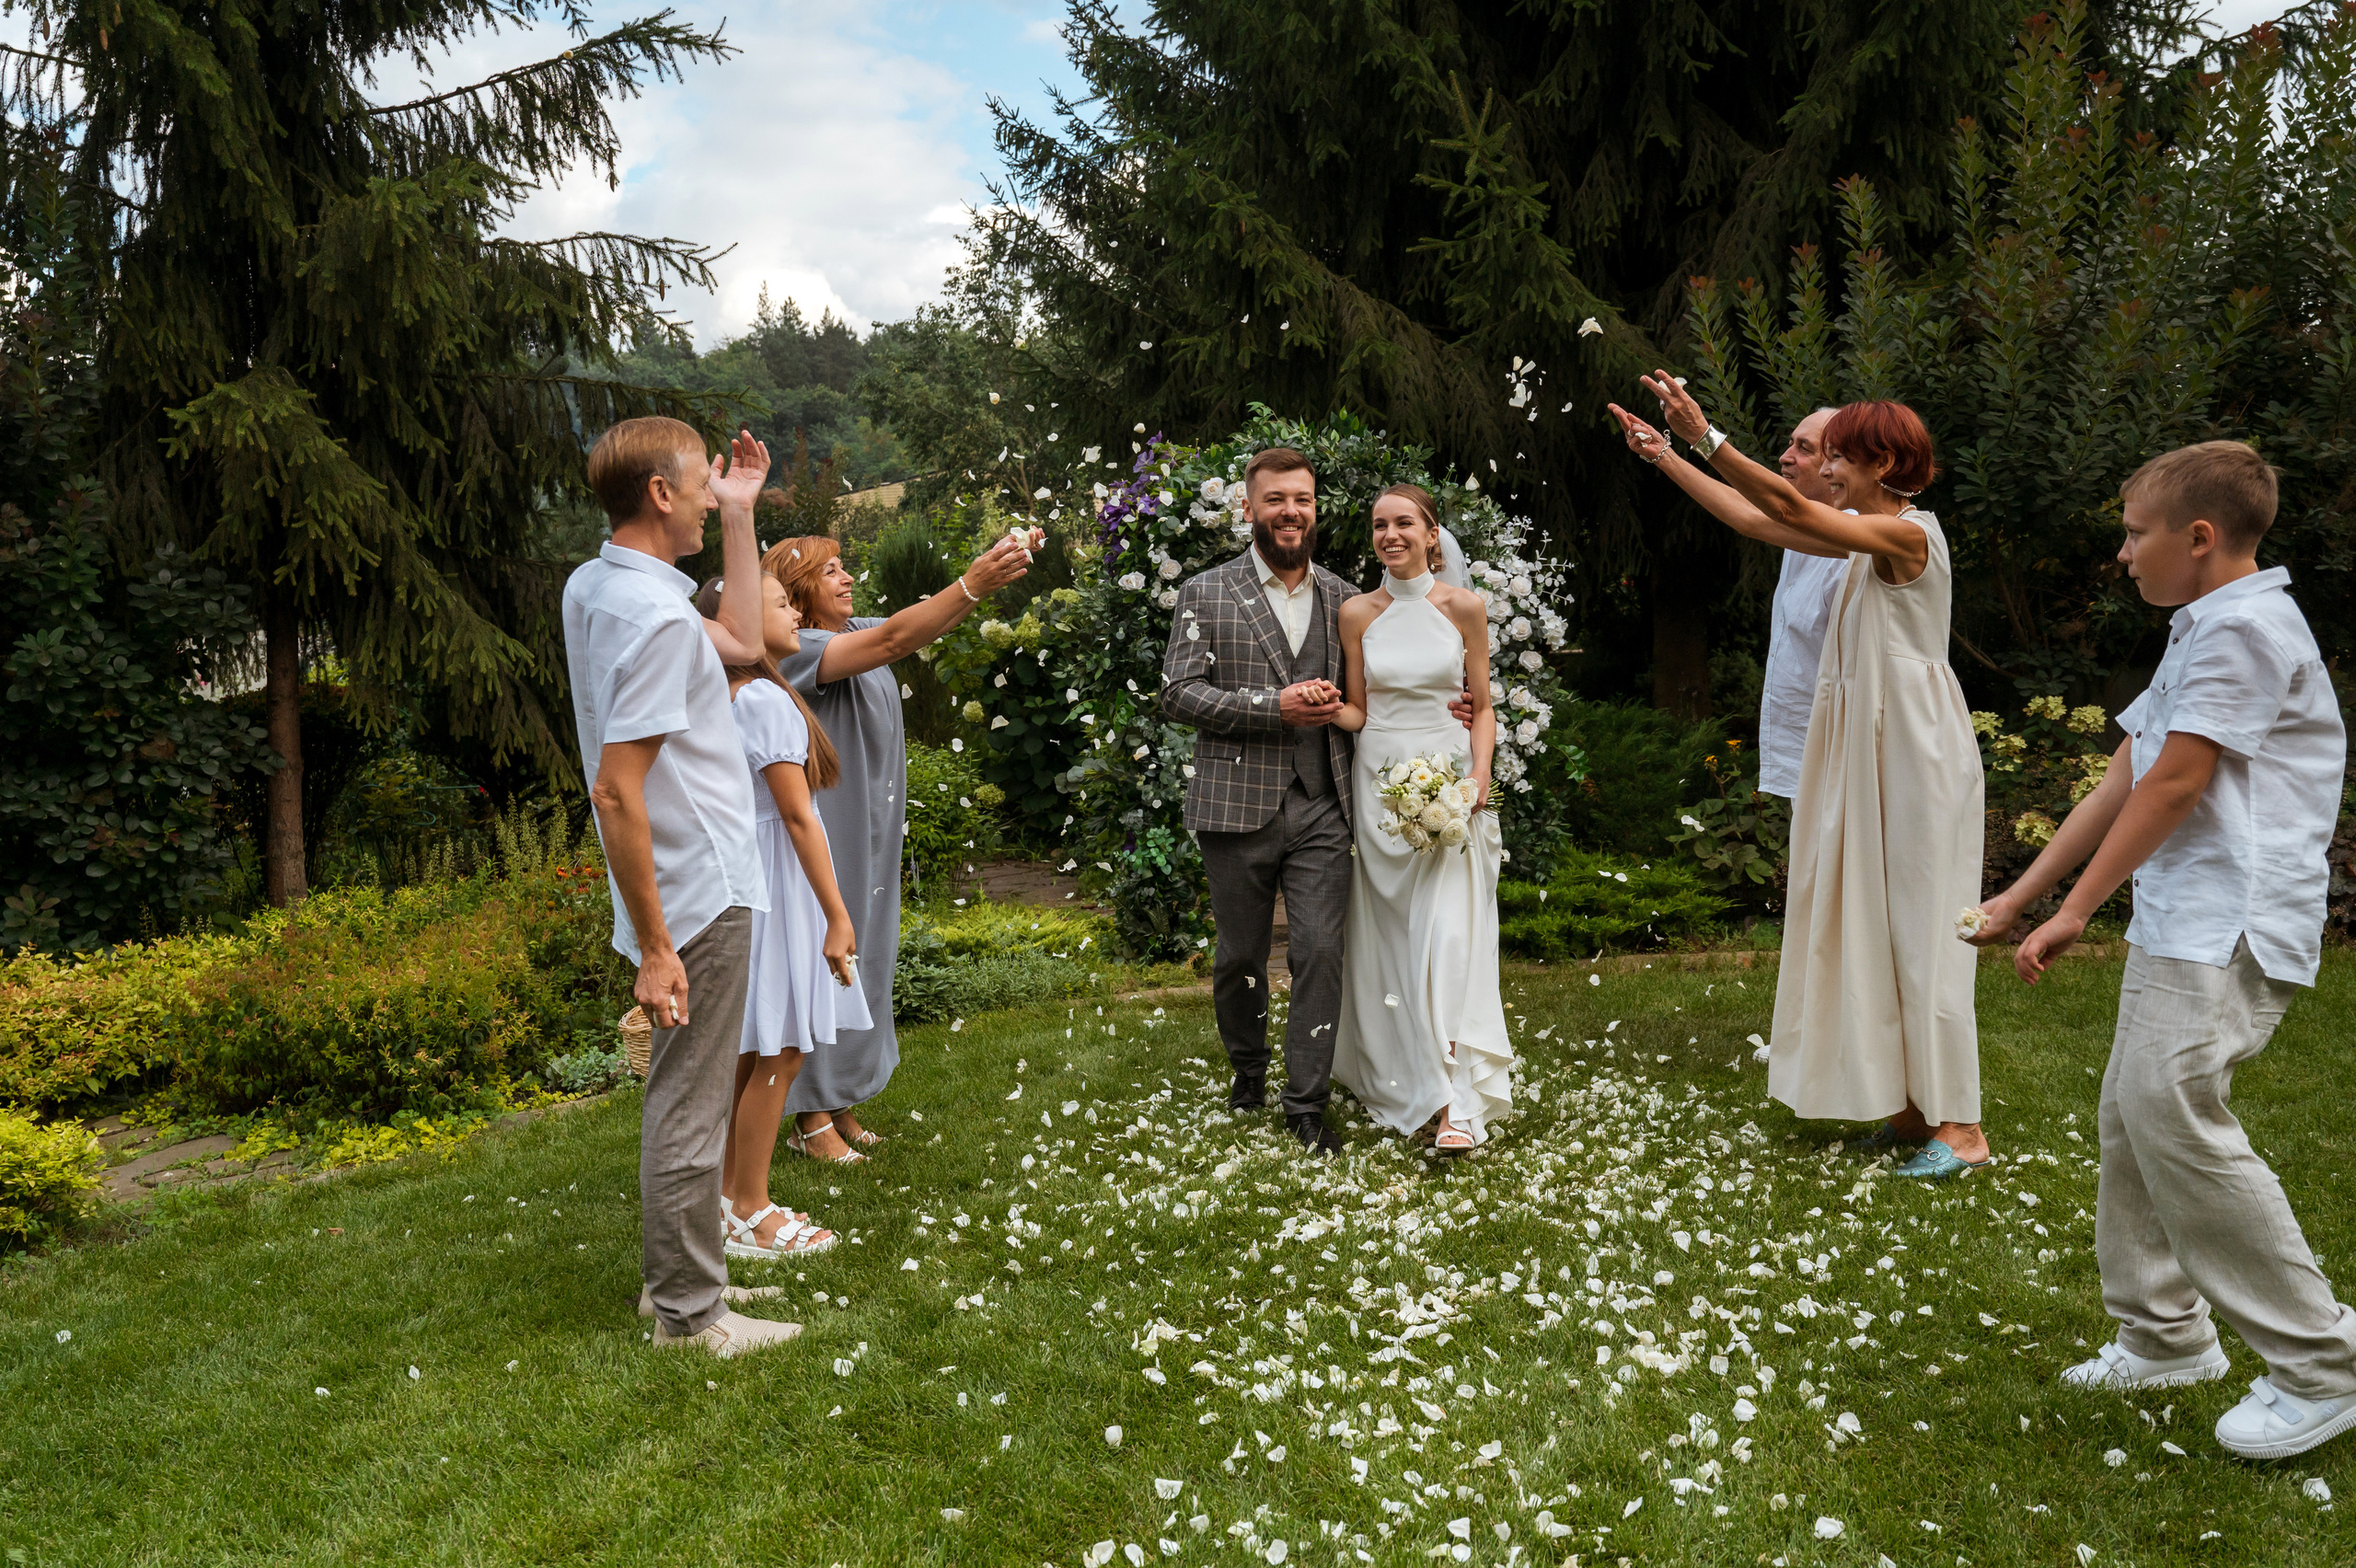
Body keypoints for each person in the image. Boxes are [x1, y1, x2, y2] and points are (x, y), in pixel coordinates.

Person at [1967, 441, 2356, 1458]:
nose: (2122, 551)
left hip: (2233, 916)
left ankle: (2323, 1363)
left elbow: (2176, 787)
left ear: (2199, 537)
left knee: (2169, 1111)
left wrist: (2075, 914)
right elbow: (2123, 775)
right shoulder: (2202, 627)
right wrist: (2020, 894)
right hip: (2185, 912)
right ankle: (2164, 1335)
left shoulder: (2246, 633)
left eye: (2135, 533)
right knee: (2131, 1116)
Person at [1609, 381, 1989, 1178]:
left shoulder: (1909, 535)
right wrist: (1669, 457)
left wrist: (1707, 434)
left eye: (1841, 454)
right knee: (1866, 921)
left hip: (1913, 750)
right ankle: (1911, 1112)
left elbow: (1782, 500)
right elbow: (1759, 517)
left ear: (1882, 461)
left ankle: (1963, 1129)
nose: (1829, 469)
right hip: (1864, 744)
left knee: (1923, 929)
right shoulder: (1860, 535)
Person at [563, 417, 801, 1357]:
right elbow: (617, 786)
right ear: (660, 493)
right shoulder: (657, 617)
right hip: (697, 884)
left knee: (682, 1093)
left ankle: (678, 1286)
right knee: (691, 1103)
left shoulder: (600, 586)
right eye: (705, 482)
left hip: (685, 875)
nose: (711, 491)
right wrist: (659, 949)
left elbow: (741, 637)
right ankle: (690, 1317)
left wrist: (741, 515)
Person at [769, 527, 1040, 1162]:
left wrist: (999, 557)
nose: (847, 577)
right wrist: (973, 582)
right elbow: (896, 639)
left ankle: (839, 1102)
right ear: (797, 592)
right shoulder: (798, 650)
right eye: (829, 570)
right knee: (823, 965)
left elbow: (909, 624)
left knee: (867, 957)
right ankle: (809, 1119)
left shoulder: (847, 630)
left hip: (869, 832)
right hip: (826, 833)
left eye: (845, 564)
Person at [1161, 446, 1359, 1154]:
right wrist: (1270, 705)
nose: (1290, 512)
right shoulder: (1206, 593)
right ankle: (1248, 1070)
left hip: (1323, 804)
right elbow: (1178, 693)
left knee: (1319, 951)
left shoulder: (1346, 598)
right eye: (1275, 500)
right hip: (1234, 804)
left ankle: (1306, 1103)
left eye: (1301, 499)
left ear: (1315, 508)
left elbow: (1376, 689)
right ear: (1247, 509)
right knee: (1240, 957)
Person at [1328, 485, 1515, 1152]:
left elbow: (1483, 705)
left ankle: (1454, 1103)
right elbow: (1359, 711)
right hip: (1381, 788)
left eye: (1404, 523)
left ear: (1433, 534)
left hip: (1450, 785)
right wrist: (1324, 707)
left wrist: (1478, 777)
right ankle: (1405, 1072)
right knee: (1396, 942)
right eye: (1380, 525)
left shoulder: (1465, 607)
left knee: (1450, 939)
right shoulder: (1356, 614)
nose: (1391, 535)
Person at [691, 573, 865, 1262]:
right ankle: (752, 1207)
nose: (796, 610)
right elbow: (796, 815)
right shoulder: (764, 697)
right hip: (784, 885)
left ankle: (728, 1200)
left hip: (749, 879)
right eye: (780, 604)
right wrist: (837, 914)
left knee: (754, 1047)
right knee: (782, 1048)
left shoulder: (726, 696)